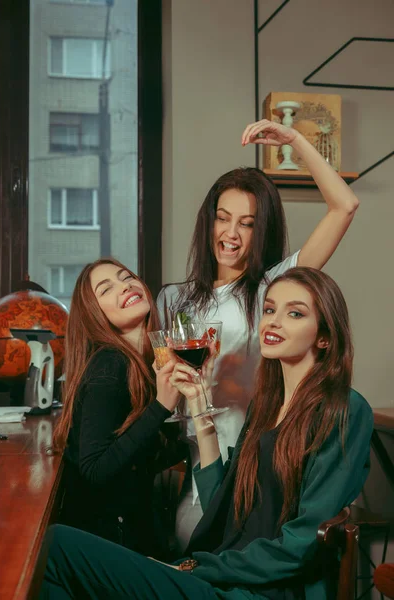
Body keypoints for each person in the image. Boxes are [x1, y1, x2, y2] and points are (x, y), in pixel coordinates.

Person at [40, 267, 373, 600]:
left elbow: (301, 545)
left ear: (324, 336)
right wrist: (200, 403)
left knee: (54, 546)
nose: (274, 321)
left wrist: (195, 568)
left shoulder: (343, 410)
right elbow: (223, 504)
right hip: (221, 579)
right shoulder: (266, 405)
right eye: (270, 309)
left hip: (260, 592)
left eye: (295, 313)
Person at [157, 119, 361, 548]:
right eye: (223, 218)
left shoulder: (273, 288)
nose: (231, 234)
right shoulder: (173, 300)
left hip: (255, 473)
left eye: (246, 224)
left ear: (261, 229)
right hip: (201, 466)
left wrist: (294, 141)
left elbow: (344, 206)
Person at [54, 258, 185, 557]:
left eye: (126, 277)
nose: (124, 285)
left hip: (129, 532)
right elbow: (94, 469)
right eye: (106, 288)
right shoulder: (110, 364)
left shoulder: (146, 364)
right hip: (105, 543)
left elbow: (136, 457)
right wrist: (162, 406)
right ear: (94, 314)